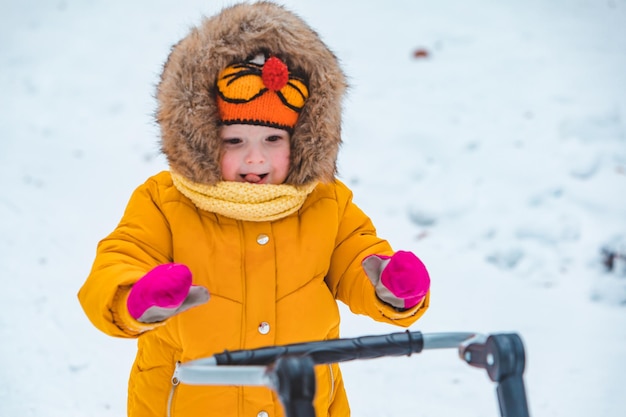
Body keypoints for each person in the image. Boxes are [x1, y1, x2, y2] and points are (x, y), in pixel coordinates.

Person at [78, 2, 431, 416]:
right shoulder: (166, 200)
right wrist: (135, 295)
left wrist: (387, 286)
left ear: (302, 139)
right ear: (204, 139)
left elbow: (357, 257)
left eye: (272, 140)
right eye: (234, 142)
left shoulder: (325, 202)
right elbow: (122, 255)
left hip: (302, 403)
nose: (255, 160)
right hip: (193, 403)